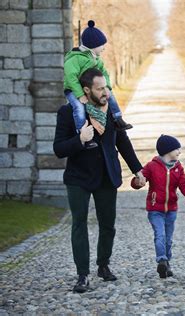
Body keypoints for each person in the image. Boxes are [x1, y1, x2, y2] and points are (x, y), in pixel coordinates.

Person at [53, 68, 146, 293]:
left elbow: (122, 141)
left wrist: (137, 170)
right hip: (79, 178)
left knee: (108, 225)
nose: (105, 92)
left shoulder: (111, 110)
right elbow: (58, 149)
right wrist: (79, 139)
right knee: (79, 224)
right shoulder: (69, 112)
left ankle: (103, 265)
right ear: (86, 90)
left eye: (105, 87)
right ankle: (82, 275)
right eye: (99, 88)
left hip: (107, 175)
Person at [131, 134, 185, 278]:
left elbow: (183, 185)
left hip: (171, 210)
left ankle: (167, 263)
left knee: (168, 238)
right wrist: (137, 182)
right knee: (159, 235)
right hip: (155, 209)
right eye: (177, 149)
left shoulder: (178, 168)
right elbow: (140, 178)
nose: (179, 152)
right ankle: (161, 260)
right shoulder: (152, 166)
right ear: (167, 150)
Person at [64, 20, 132, 149]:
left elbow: (104, 73)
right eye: (101, 45)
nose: (103, 48)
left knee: (110, 95)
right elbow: (71, 78)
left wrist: (107, 87)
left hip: (88, 88)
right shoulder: (75, 58)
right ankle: (83, 134)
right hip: (73, 90)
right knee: (78, 108)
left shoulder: (95, 59)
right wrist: (80, 95)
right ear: (93, 45)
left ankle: (118, 119)